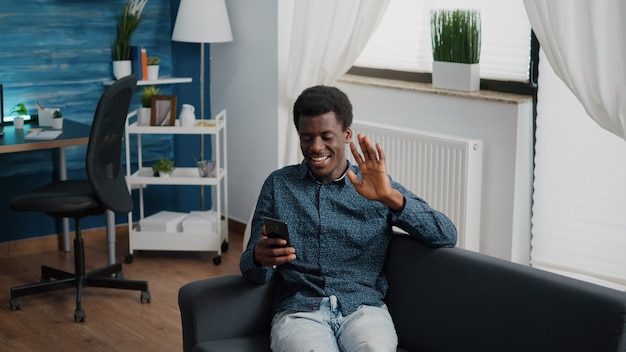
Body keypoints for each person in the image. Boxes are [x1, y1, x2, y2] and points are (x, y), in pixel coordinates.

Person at [240, 85, 457, 352]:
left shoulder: (377, 186)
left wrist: (391, 198)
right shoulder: (279, 185)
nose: (316, 147)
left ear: (346, 134)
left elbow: (446, 234)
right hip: (300, 311)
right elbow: (251, 272)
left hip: (364, 309)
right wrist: (259, 258)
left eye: (326, 136)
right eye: (307, 137)